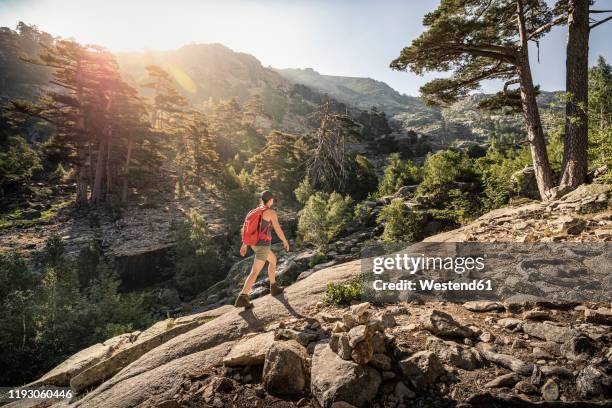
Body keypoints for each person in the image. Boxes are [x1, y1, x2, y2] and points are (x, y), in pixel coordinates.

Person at [234, 190, 290, 309]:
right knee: (255, 272)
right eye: (272, 199)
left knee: (273, 260)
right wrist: (285, 241)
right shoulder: (270, 212)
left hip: (255, 244)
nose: (273, 201)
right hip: (262, 245)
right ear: (270, 200)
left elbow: (246, 229)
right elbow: (278, 229)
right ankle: (242, 297)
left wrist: (244, 244)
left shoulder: (254, 211)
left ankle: (273, 287)